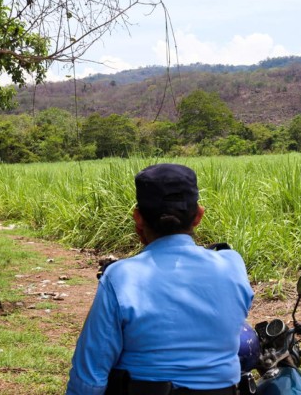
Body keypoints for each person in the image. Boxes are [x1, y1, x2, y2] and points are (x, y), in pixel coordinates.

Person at [66, 163, 254, 395]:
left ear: (138, 218)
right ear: (198, 216)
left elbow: (90, 373)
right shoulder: (232, 264)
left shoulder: (120, 276)